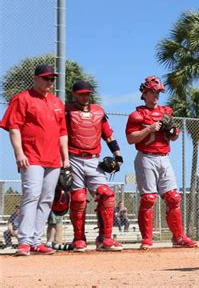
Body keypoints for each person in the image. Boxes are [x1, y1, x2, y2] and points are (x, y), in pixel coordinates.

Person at [0, 64, 69, 256]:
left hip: (54, 158)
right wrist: (19, 153)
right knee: (31, 196)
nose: (49, 82)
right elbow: (14, 127)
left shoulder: (57, 102)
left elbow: (63, 132)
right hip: (31, 157)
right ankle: (24, 241)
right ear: (35, 78)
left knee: (47, 199)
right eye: (46, 78)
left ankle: (36, 241)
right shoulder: (22, 99)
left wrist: (66, 157)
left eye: (52, 79)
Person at [126, 75, 197, 249]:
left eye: (158, 92)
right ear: (144, 92)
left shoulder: (166, 112)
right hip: (146, 157)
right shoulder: (137, 115)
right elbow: (130, 138)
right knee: (149, 198)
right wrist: (149, 129)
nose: (156, 95)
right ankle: (147, 239)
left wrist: (172, 131)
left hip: (164, 157)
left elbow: (173, 136)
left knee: (173, 197)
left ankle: (178, 237)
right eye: (152, 92)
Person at [66, 80, 123, 252]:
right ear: (74, 94)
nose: (85, 97)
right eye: (81, 93)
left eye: (87, 94)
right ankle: (79, 239)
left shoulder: (98, 112)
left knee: (107, 195)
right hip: (73, 158)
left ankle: (105, 239)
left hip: (93, 159)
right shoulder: (66, 110)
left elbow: (109, 135)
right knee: (78, 198)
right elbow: (59, 135)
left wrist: (118, 157)